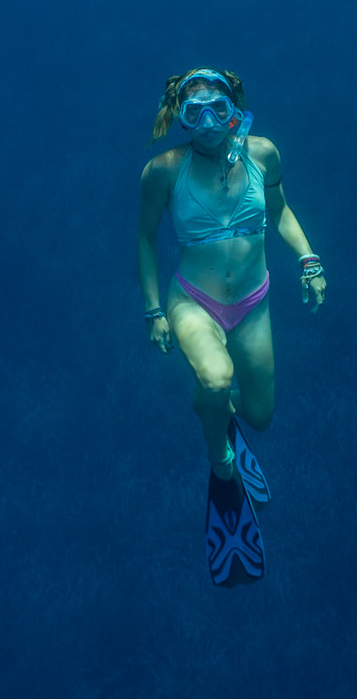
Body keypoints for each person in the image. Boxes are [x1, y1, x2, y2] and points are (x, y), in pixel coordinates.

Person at [137, 67, 327, 482]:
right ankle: (220, 460)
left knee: (260, 415)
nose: (207, 123)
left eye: (217, 109)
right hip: (193, 301)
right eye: (195, 112)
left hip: (252, 304)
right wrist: (154, 311)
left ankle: (208, 401)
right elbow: (146, 240)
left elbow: (280, 211)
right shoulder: (162, 171)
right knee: (217, 378)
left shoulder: (263, 154)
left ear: (234, 112)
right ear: (180, 117)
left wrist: (309, 260)